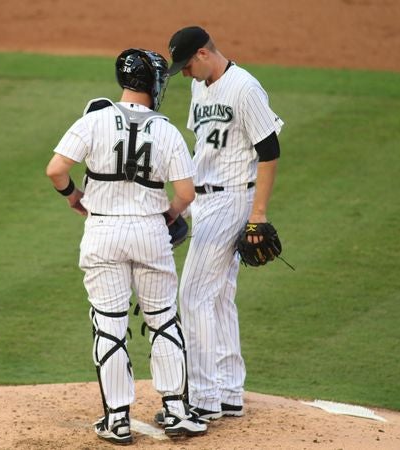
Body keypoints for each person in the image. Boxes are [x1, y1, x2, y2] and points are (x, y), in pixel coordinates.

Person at [46, 48, 207, 445]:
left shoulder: (95, 120)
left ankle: (116, 419)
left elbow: (56, 170)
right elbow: (186, 193)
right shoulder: (167, 130)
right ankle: (176, 411)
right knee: (163, 319)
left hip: (102, 233)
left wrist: (73, 197)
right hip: (151, 233)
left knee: (110, 325)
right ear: (151, 83)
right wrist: (168, 215)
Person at [164, 26, 285, 421]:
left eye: (186, 65)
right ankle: (229, 390)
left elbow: (269, 151)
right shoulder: (201, 87)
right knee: (217, 295)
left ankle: (202, 397)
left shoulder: (245, 88)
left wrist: (258, 213)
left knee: (193, 295)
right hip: (204, 199)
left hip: (234, 198)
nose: (184, 74)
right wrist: (182, 205)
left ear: (203, 52)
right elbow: (202, 149)